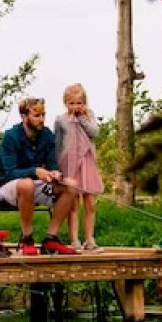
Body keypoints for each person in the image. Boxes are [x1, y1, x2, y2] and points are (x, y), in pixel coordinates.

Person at [0, 95, 78, 255]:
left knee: (71, 187)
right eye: (36, 115)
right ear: (24, 116)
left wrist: (55, 172)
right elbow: (9, 172)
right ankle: (27, 239)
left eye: (43, 115)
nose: (41, 119)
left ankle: (51, 239)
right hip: (7, 186)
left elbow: (52, 162)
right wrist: (35, 171)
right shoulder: (11, 136)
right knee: (27, 184)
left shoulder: (47, 135)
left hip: (34, 184)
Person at [54, 84, 103, 252]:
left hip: (87, 161)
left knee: (90, 202)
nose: (76, 107)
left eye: (79, 103)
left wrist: (82, 118)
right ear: (66, 103)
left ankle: (90, 239)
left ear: (84, 103)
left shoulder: (89, 116)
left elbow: (95, 133)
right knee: (73, 203)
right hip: (69, 163)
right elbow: (58, 144)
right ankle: (74, 239)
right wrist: (56, 167)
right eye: (72, 103)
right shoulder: (60, 120)